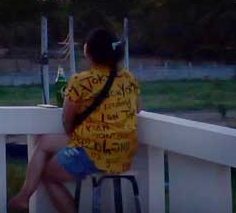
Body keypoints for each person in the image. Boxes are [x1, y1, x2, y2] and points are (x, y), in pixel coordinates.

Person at [9, 28, 141, 213]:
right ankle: (23, 197)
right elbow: (138, 109)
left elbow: (67, 120)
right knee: (45, 142)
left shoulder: (82, 81)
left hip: (95, 151)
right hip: (124, 152)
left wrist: (76, 138)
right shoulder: (129, 78)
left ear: (89, 53)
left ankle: (24, 196)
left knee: (47, 174)